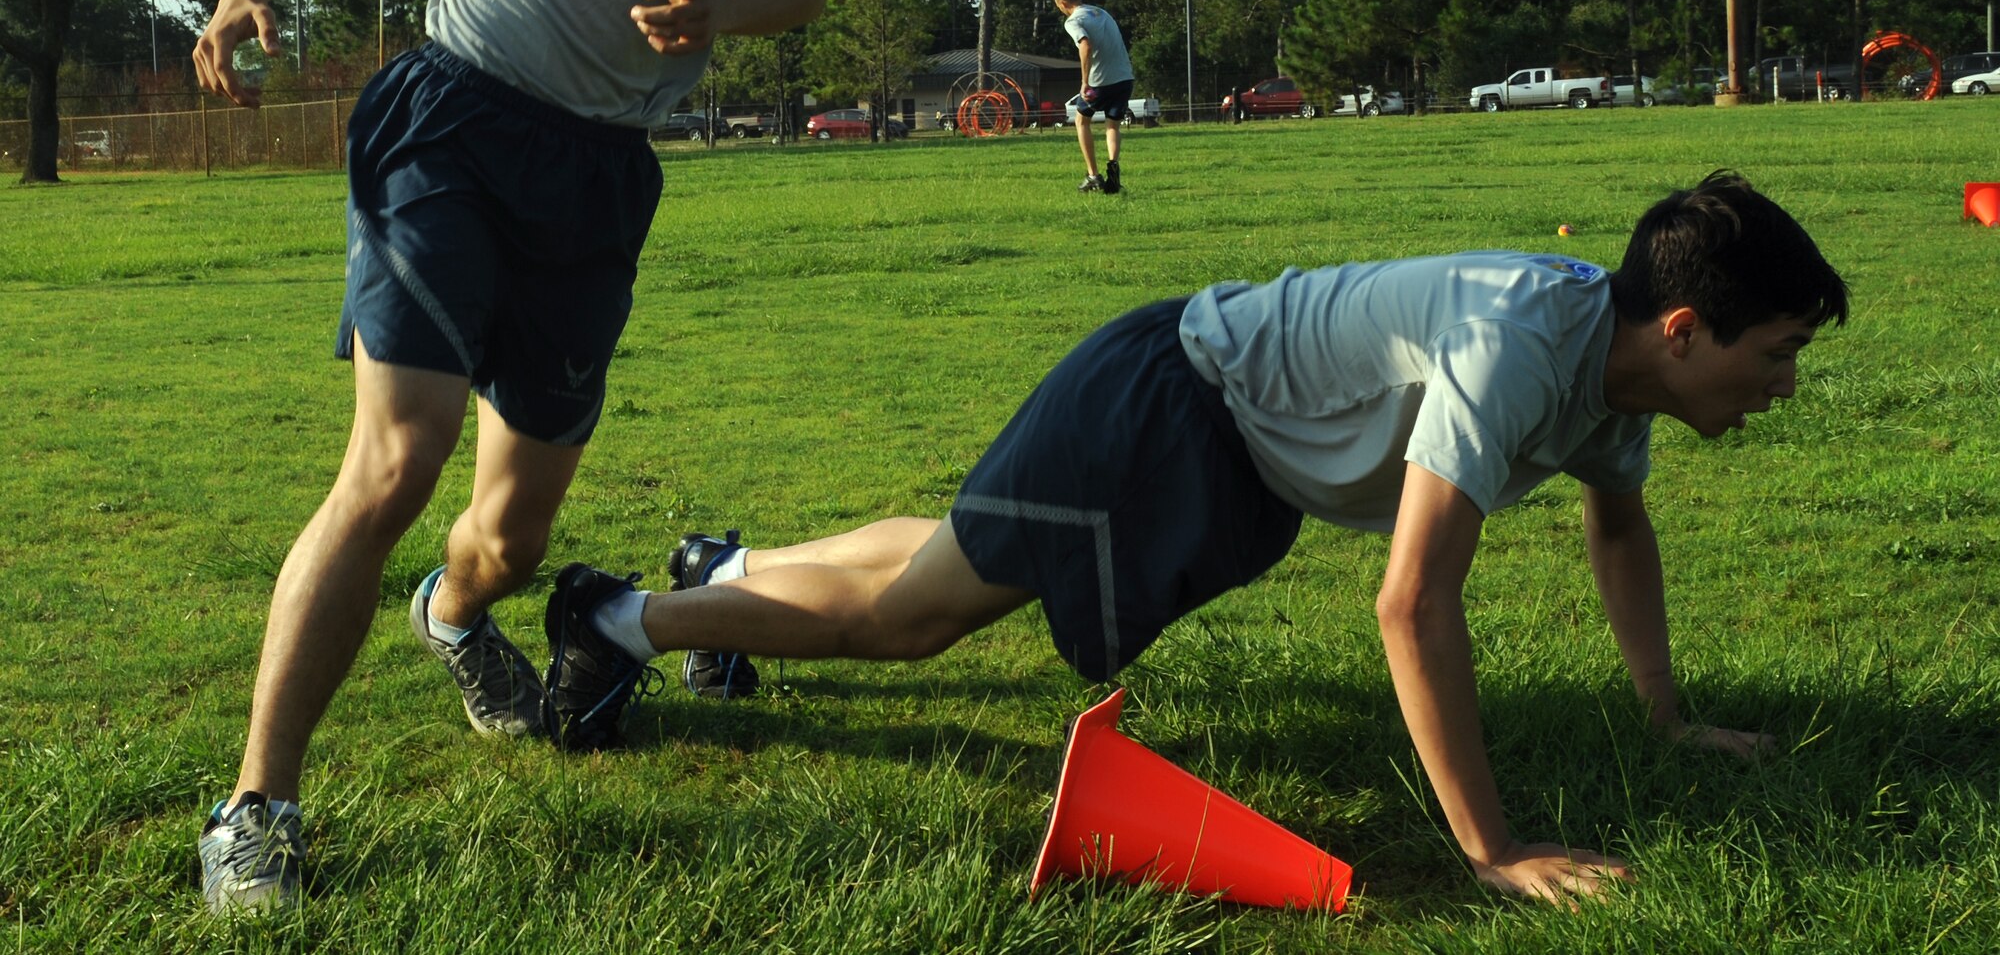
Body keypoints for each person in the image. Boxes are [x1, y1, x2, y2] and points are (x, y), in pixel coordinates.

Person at [544, 172, 1847, 904]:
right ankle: (614, 622)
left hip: (1218, 444)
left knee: (959, 550)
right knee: (917, 618)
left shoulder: (1611, 379)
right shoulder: (1521, 339)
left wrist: (1669, 718)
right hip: (1169, 411)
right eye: (1777, 353)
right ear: (1685, 332)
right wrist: (1493, 850)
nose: (1783, 383)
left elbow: (1621, 534)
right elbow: (1412, 603)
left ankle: (725, 573)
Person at [190, 0, 835, 914]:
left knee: (511, 533)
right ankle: (255, 807)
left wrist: (717, 9)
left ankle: (457, 609)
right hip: (452, 115)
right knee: (396, 458)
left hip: (603, 168)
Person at [1052, 0, 1134, 194]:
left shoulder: (1073, 21)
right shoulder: (1101, 12)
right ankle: (1113, 173)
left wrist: (1084, 81)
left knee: (1081, 121)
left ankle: (1093, 176)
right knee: (1112, 126)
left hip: (1100, 81)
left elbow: (1085, 45)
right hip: (1124, 77)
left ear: (1062, 3)